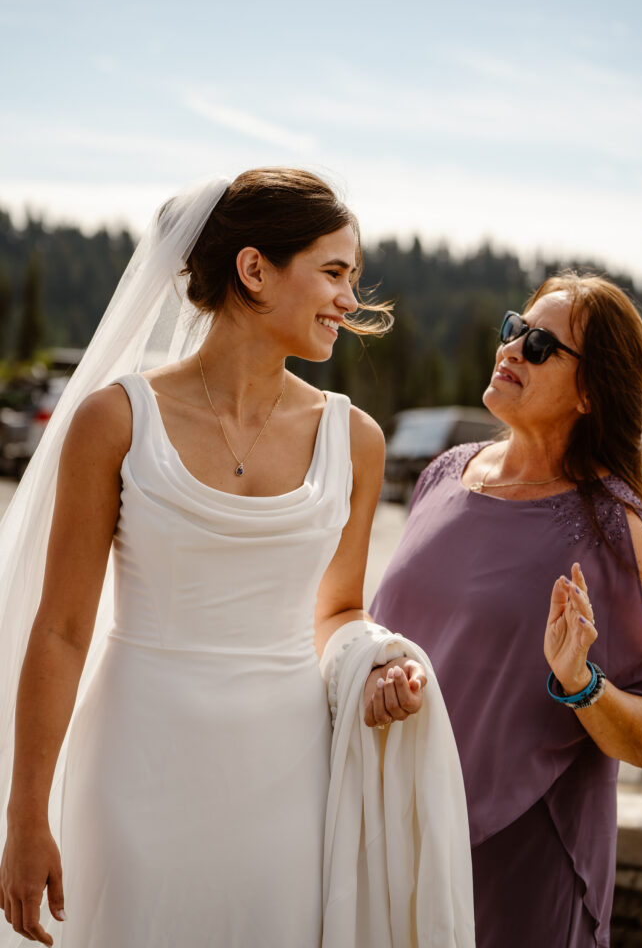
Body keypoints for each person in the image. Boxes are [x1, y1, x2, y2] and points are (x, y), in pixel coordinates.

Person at [0, 169, 475, 948]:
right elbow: (60, 631)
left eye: (352, 277)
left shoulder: (354, 439)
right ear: (254, 269)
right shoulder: (115, 420)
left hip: (285, 775)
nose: (349, 300)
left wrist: (375, 661)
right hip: (134, 763)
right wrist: (25, 816)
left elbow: (338, 609)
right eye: (333, 272)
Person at [372, 273, 642, 948]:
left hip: (520, 870)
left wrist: (581, 683)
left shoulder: (613, 524)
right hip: (397, 838)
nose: (511, 348)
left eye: (540, 345)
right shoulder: (443, 474)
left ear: (591, 392)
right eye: (515, 328)